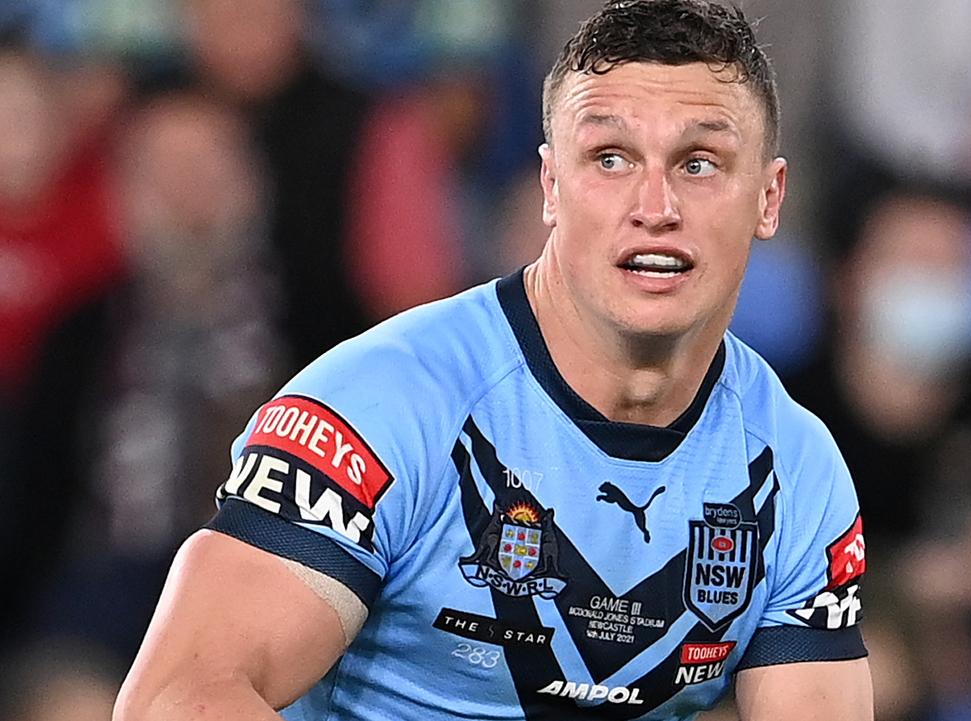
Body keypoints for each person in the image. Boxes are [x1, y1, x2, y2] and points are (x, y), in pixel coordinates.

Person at [113, 2, 873, 720]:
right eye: (609, 158)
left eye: (699, 163)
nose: (655, 205)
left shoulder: (794, 471)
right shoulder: (380, 406)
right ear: (550, 187)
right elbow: (177, 695)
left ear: (770, 199)